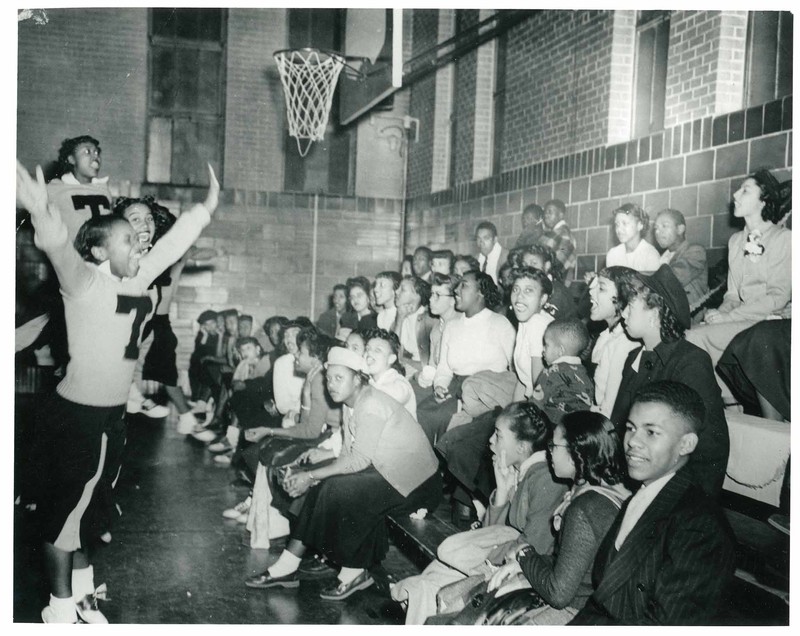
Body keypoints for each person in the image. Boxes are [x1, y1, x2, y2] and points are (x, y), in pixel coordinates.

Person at [16, 160, 219, 624]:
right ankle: (59, 608)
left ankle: (82, 594)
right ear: (100, 249)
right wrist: (40, 209)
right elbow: (58, 245)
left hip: (110, 419)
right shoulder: (83, 281)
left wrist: (204, 210)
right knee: (64, 516)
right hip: (76, 416)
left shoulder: (139, 278)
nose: (139, 244)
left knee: (91, 511)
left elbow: (169, 248)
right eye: (128, 238)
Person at [245, 347, 440, 601]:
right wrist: (312, 476)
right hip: (387, 472)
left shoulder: (370, 404)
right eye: (328, 379)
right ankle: (289, 565)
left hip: (418, 484)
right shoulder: (352, 404)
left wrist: (312, 477)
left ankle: (352, 571)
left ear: (357, 379)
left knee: (335, 487)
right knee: (326, 482)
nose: (331, 385)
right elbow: (349, 454)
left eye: (339, 378)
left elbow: (358, 460)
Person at [571, 382, 736, 625]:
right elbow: (602, 600)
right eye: (630, 428)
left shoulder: (700, 527)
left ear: (686, 444)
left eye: (651, 432)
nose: (632, 441)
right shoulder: (644, 495)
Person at [392, 402, 568, 624]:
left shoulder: (545, 480)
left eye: (498, 435)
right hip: (499, 557)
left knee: (433, 581)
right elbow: (493, 531)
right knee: (430, 575)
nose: (491, 441)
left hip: (516, 570)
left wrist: (485, 563)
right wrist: (502, 492)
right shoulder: (517, 471)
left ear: (522, 447)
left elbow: (532, 548)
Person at [484, 411, 631, 625]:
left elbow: (559, 594)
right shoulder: (604, 492)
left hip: (580, 612)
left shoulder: (584, 509)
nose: (548, 453)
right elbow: (572, 563)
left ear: (575, 452)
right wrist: (523, 564)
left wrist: (523, 554)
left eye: (554, 447)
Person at [611, 265, 729, 497]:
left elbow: (710, 448)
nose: (623, 314)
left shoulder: (690, 361)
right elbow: (618, 430)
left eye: (630, 307)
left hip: (676, 494)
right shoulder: (634, 358)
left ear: (655, 312)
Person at [686, 168, 791, 398]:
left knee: (694, 339)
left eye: (745, 190)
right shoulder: (736, 241)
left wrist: (730, 317)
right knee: (691, 334)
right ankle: (729, 400)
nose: (735, 195)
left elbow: (778, 296)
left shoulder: (784, 238)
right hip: (740, 318)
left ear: (763, 201)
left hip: (766, 322)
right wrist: (718, 314)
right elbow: (732, 295)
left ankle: (727, 401)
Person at [416, 271, 515, 444]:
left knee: (442, 418)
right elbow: (444, 368)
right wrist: (440, 386)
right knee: (422, 411)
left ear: (481, 292)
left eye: (464, 285)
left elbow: (513, 371)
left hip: (486, 394)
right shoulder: (452, 326)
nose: (456, 290)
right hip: (455, 388)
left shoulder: (500, 324)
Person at [587, 267, 639, 417]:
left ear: (621, 299)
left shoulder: (624, 343)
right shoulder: (605, 336)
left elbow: (610, 410)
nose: (591, 292)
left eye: (601, 288)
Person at [46, 135, 112, 243]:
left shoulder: (103, 187)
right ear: (71, 159)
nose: (95, 157)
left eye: (96, 152)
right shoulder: (57, 187)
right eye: (87, 152)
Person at [532, 319, 594, 425]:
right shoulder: (585, 373)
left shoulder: (551, 372)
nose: (543, 350)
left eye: (546, 344)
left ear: (560, 350)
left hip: (553, 428)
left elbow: (535, 404)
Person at [653, 209, 708, 322]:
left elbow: (671, 278)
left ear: (680, 229)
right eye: (656, 228)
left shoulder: (696, 251)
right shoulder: (663, 257)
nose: (658, 232)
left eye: (664, 226)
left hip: (690, 321)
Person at [363, 328, 417, 417]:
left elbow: (395, 397)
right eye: (367, 349)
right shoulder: (369, 381)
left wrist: (367, 384)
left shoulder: (399, 382)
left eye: (377, 350)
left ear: (391, 359)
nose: (369, 353)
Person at [518, 243, 577, 320]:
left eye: (534, 263)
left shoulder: (557, 293)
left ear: (547, 266)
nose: (528, 268)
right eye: (524, 264)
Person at [395, 275, 436, 378]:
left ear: (417, 296)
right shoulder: (402, 315)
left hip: (425, 374)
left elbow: (430, 365)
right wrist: (399, 319)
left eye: (402, 290)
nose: (396, 292)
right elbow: (393, 349)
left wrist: (405, 361)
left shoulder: (429, 320)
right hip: (410, 368)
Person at [605, 203, 661, 273]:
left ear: (640, 225)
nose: (619, 229)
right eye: (617, 224)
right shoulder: (613, 254)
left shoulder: (650, 255)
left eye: (625, 223)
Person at [536, 199, 576, 278]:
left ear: (561, 215)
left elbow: (563, 250)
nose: (546, 215)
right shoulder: (555, 233)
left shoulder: (564, 233)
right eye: (545, 212)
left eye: (550, 212)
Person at [475, 221, 507, 285]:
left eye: (486, 238)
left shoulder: (506, 257)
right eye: (478, 238)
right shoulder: (476, 258)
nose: (481, 243)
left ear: (495, 240)